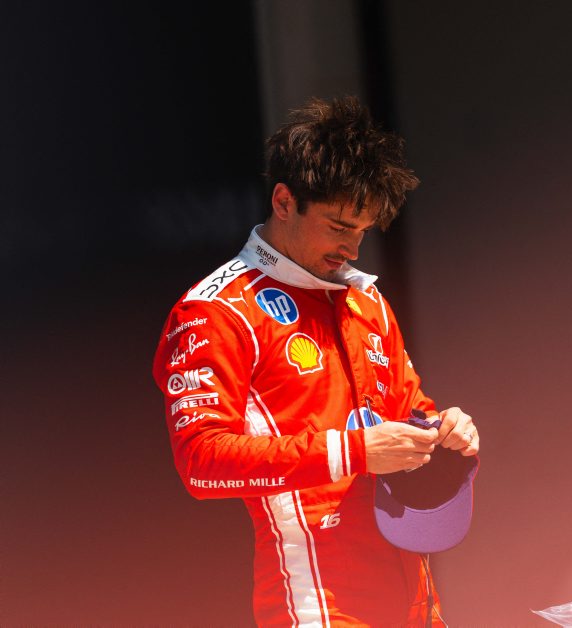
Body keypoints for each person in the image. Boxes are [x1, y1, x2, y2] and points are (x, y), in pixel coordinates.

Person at [152, 96, 479, 626]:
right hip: (317, 601)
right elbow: (200, 463)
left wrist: (446, 430)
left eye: (362, 231)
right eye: (339, 227)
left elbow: (410, 412)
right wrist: (352, 451)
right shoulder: (215, 311)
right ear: (284, 202)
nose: (352, 248)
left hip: (415, 595)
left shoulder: (366, 301)